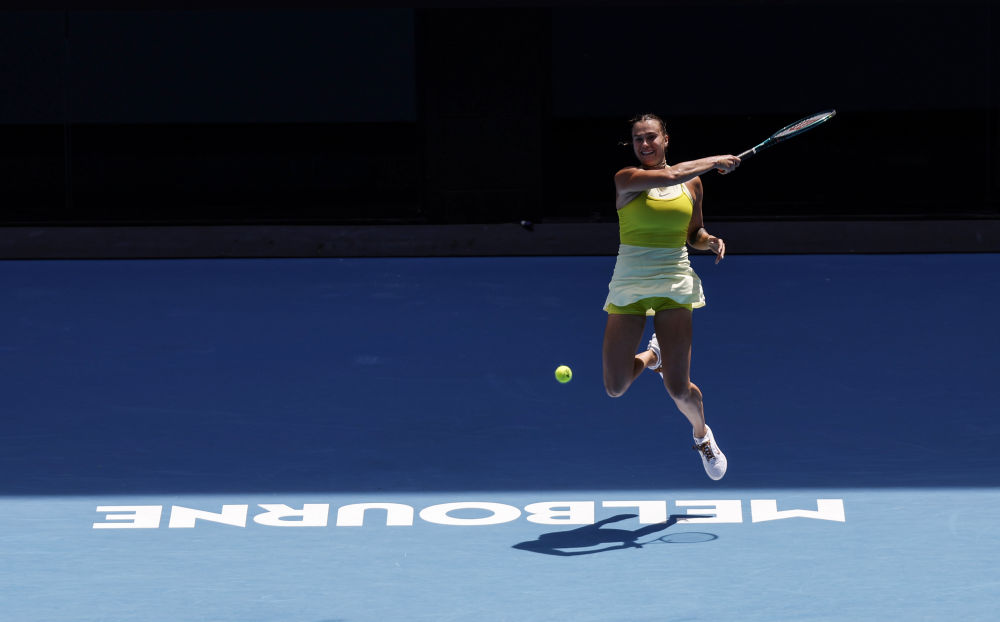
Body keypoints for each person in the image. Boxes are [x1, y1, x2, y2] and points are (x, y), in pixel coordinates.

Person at [602, 113, 739, 481]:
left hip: (674, 281)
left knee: (678, 389)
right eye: (638, 139)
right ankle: (653, 355)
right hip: (630, 282)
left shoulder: (693, 184)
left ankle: (702, 435)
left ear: (665, 139)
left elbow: (694, 233)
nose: (645, 144)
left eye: (652, 137)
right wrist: (715, 160)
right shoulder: (627, 178)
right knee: (615, 387)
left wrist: (709, 241)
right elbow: (669, 175)